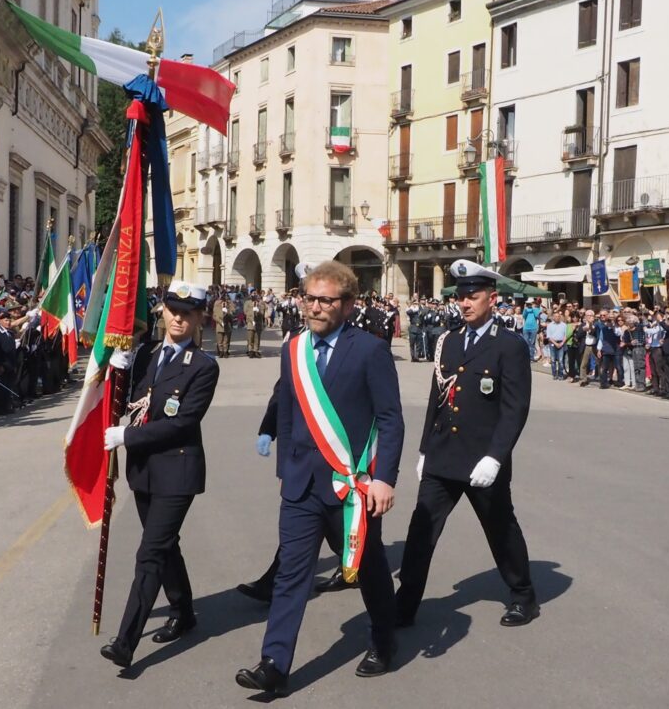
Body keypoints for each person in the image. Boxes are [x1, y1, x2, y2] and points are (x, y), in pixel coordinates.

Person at [236, 261, 403, 696]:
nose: (314, 307)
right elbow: (289, 412)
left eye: (325, 300)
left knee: (368, 568)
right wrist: (283, 469)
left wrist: (384, 478)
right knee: (292, 573)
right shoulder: (293, 349)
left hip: (352, 485)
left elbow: (390, 418)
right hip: (301, 485)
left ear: (347, 304)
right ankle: (274, 662)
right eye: (309, 298)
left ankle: (383, 640)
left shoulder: (369, 350)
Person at [395, 259, 538, 633]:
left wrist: (495, 457)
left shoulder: (509, 346)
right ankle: (404, 603)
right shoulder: (449, 340)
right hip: (443, 456)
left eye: (472, 296)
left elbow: (514, 409)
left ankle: (523, 595)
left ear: (492, 298)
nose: (464, 303)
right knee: (421, 530)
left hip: (481, 459)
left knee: (500, 528)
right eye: (460, 296)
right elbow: (436, 399)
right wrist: (425, 448)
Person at [98, 280, 220, 670]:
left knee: (150, 552)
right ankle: (183, 612)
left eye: (187, 313)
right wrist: (114, 371)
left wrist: (126, 435)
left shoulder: (203, 366)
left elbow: (182, 423)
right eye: (173, 311)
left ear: (199, 317)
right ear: (162, 312)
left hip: (176, 470)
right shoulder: (146, 353)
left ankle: (125, 642)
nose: (179, 319)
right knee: (166, 546)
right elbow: (124, 398)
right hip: (143, 470)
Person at [545, 311, 567, 380]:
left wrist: (562, 343)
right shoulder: (550, 325)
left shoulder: (564, 325)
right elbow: (549, 336)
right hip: (552, 343)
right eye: (555, 316)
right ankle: (554, 374)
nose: (557, 317)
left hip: (561, 343)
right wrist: (556, 343)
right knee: (553, 360)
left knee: (560, 360)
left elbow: (565, 335)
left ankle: (560, 375)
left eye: (558, 316)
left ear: (560, 317)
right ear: (553, 317)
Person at [245, 292, 266, 358]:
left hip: (258, 323)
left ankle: (256, 351)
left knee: (257, 338)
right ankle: (250, 351)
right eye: (254, 298)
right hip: (250, 323)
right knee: (250, 338)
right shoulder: (248, 304)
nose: (256, 300)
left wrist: (258, 310)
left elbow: (262, 313)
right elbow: (246, 312)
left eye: (257, 298)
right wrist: (251, 318)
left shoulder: (261, 304)